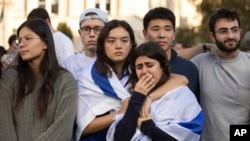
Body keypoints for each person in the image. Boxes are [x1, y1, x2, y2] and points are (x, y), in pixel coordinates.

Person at [76, 19, 188, 141]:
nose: (118, 46)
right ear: (102, 45)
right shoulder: (89, 77)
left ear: (131, 44)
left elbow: (181, 80)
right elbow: (85, 126)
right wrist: (120, 113)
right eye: (111, 41)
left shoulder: (138, 69)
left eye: (124, 41)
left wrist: (148, 98)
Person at [107, 41, 204, 141]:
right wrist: (137, 98)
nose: (144, 71)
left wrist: (149, 128)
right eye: (139, 67)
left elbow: (187, 135)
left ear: (162, 67)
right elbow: (120, 137)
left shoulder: (182, 95)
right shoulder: (128, 93)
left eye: (149, 65)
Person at [0, 19, 77, 141]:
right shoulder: (10, 78)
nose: (22, 44)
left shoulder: (66, 82)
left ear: (46, 43)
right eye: (19, 41)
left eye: (28, 39)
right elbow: (4, 127)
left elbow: (62, 130)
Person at [190, 8, 250, 141]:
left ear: (240, 32)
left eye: (234, 30)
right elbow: (169, 60)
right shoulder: (201, 62)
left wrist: (236, 136)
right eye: (223, 31)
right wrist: (203, 47)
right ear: (212, 36)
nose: (230, 35)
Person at [142, 7, 200, 101]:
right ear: (144, 34)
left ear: (174, 34)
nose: (162, 35)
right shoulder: (136, 68)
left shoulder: (189, 68)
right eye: (155, 29)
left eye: (167, 29)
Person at [62, 8, 108, 79]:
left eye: (98, 29)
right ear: (80, 33)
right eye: (86, 29)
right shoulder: (68, 64)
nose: (92, 34)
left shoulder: (114, 64)